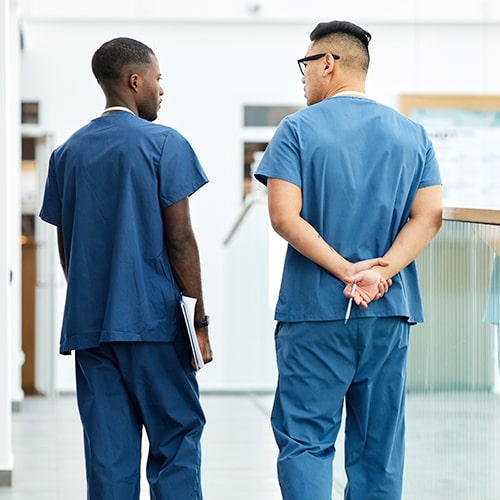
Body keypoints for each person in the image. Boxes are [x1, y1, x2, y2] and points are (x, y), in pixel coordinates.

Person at [254, 20, 442, 500]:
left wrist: (346, 270)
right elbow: (429, 217)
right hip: (387, 311)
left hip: (317, 312)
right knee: (378, 449)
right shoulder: (412, 135)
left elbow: (283, 217)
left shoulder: (296, 129)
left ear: (328, 64)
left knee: (306, 441)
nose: (302, 77)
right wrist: (381, 271)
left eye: (306, 65)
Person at [39, 37, 213, 499]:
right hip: (155, 325)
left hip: (91, 330)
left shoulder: (66, 155)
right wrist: (198, 323)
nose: (161, 89)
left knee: (109, 457)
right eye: (158, 79)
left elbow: (67, 248)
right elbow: (180, 240)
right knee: (175, 440)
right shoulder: (164, 144)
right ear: (136, 81)